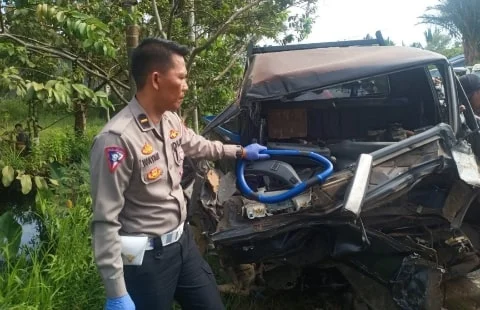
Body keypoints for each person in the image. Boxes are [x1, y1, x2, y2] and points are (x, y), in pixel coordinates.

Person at [89, 38, 269, 310]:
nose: (186, 86)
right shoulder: (117, 140)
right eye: (182, 77)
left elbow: (199, 145)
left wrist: (240, 152)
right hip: (145, 261)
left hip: (183, 245)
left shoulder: (170, 119)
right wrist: (116, 291)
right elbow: (105, 222)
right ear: (157, 79)